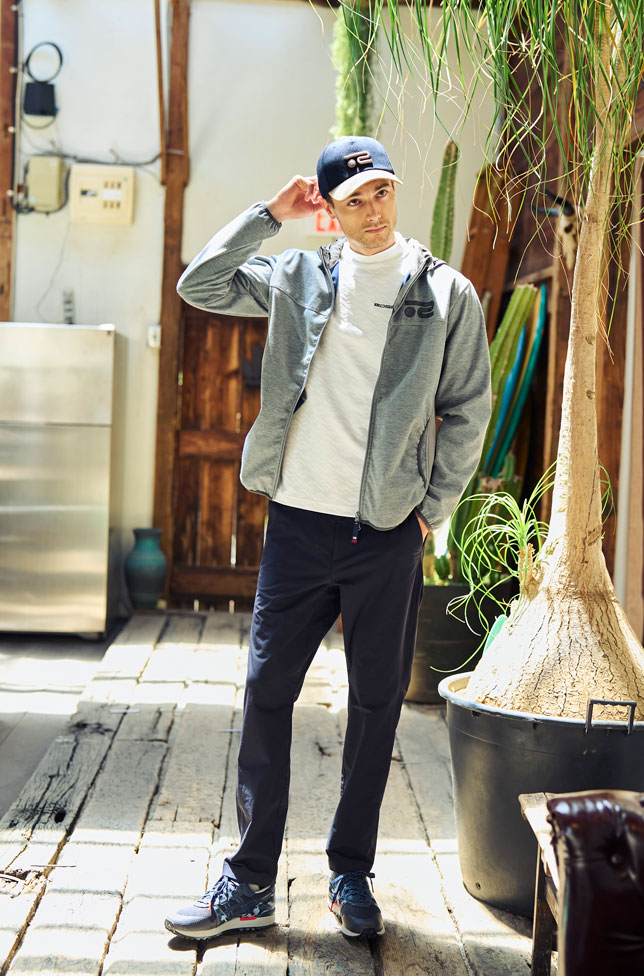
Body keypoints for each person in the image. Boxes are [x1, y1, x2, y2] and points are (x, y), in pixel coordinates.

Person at [164, 136, 492, 941]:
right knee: (267, 693)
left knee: (376, 705)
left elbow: (467, 408)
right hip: (298, 527)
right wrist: (269, 215)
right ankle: (249, 882)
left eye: (381, 192)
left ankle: (350, 873)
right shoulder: (298, 276)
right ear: (330, 209)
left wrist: (430, 509)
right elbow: (198, 283)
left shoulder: (445, 293)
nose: (373, 211)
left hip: (386, 534)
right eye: (354, 200)